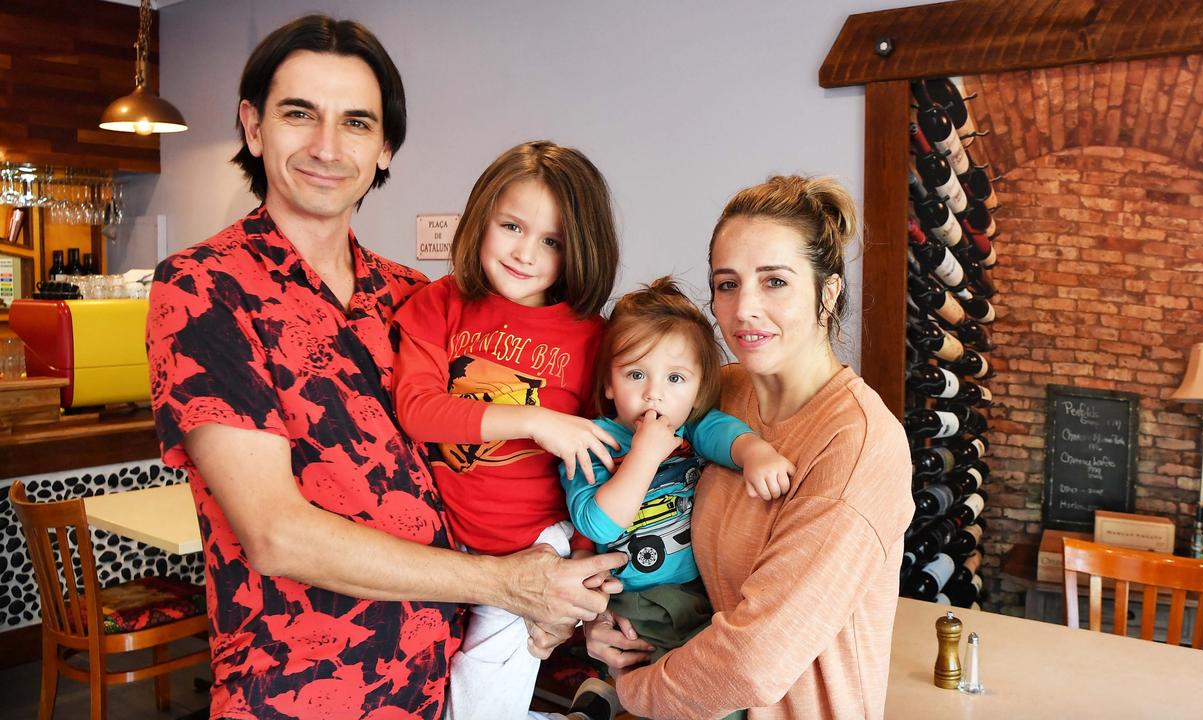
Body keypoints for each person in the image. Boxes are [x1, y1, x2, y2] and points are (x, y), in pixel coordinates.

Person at [146, 16, 622, 720]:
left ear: (387, 147)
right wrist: (506, 584)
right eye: (299, 114)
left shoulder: (414, 296)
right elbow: (275, 534)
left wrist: (565, 601)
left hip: (438, 682)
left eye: (358, 123)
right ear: (253, 127)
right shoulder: (205, 289)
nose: (327, 146)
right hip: (297, 692)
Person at [563, 175, 914, 718]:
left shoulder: (858, 445)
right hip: (677, 693)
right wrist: (604, 623)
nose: (745, 307)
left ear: (828, 292)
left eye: (774, 281)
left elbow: (753, 661)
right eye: (727, 284)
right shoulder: (715, 393)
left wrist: (627, 691)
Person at [390, 140, 626, 719]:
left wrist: (580, 581)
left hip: (534, 549)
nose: (526, 253)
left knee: (479, 706)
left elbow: (602, 464)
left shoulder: (593, 338)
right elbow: (417, 409)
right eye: (512, 226)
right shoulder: (440, 304)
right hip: (438, 543)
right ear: (480, 220)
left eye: (552, 241)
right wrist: (536, 421)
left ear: (581, 252)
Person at [560, 276, 794, 720]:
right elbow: (597, 523)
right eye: (635, 374)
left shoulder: (692, 429)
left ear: (698, 387)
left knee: (719, 681)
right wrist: (644, 454)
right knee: (697, 697)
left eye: (675, 378)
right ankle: (610, 695)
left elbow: (726, 433)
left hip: (703, 593)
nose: (655, 392)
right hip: (638, 602)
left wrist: (756, 453)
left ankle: (604, 698)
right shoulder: (593, 442)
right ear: (608, 384)